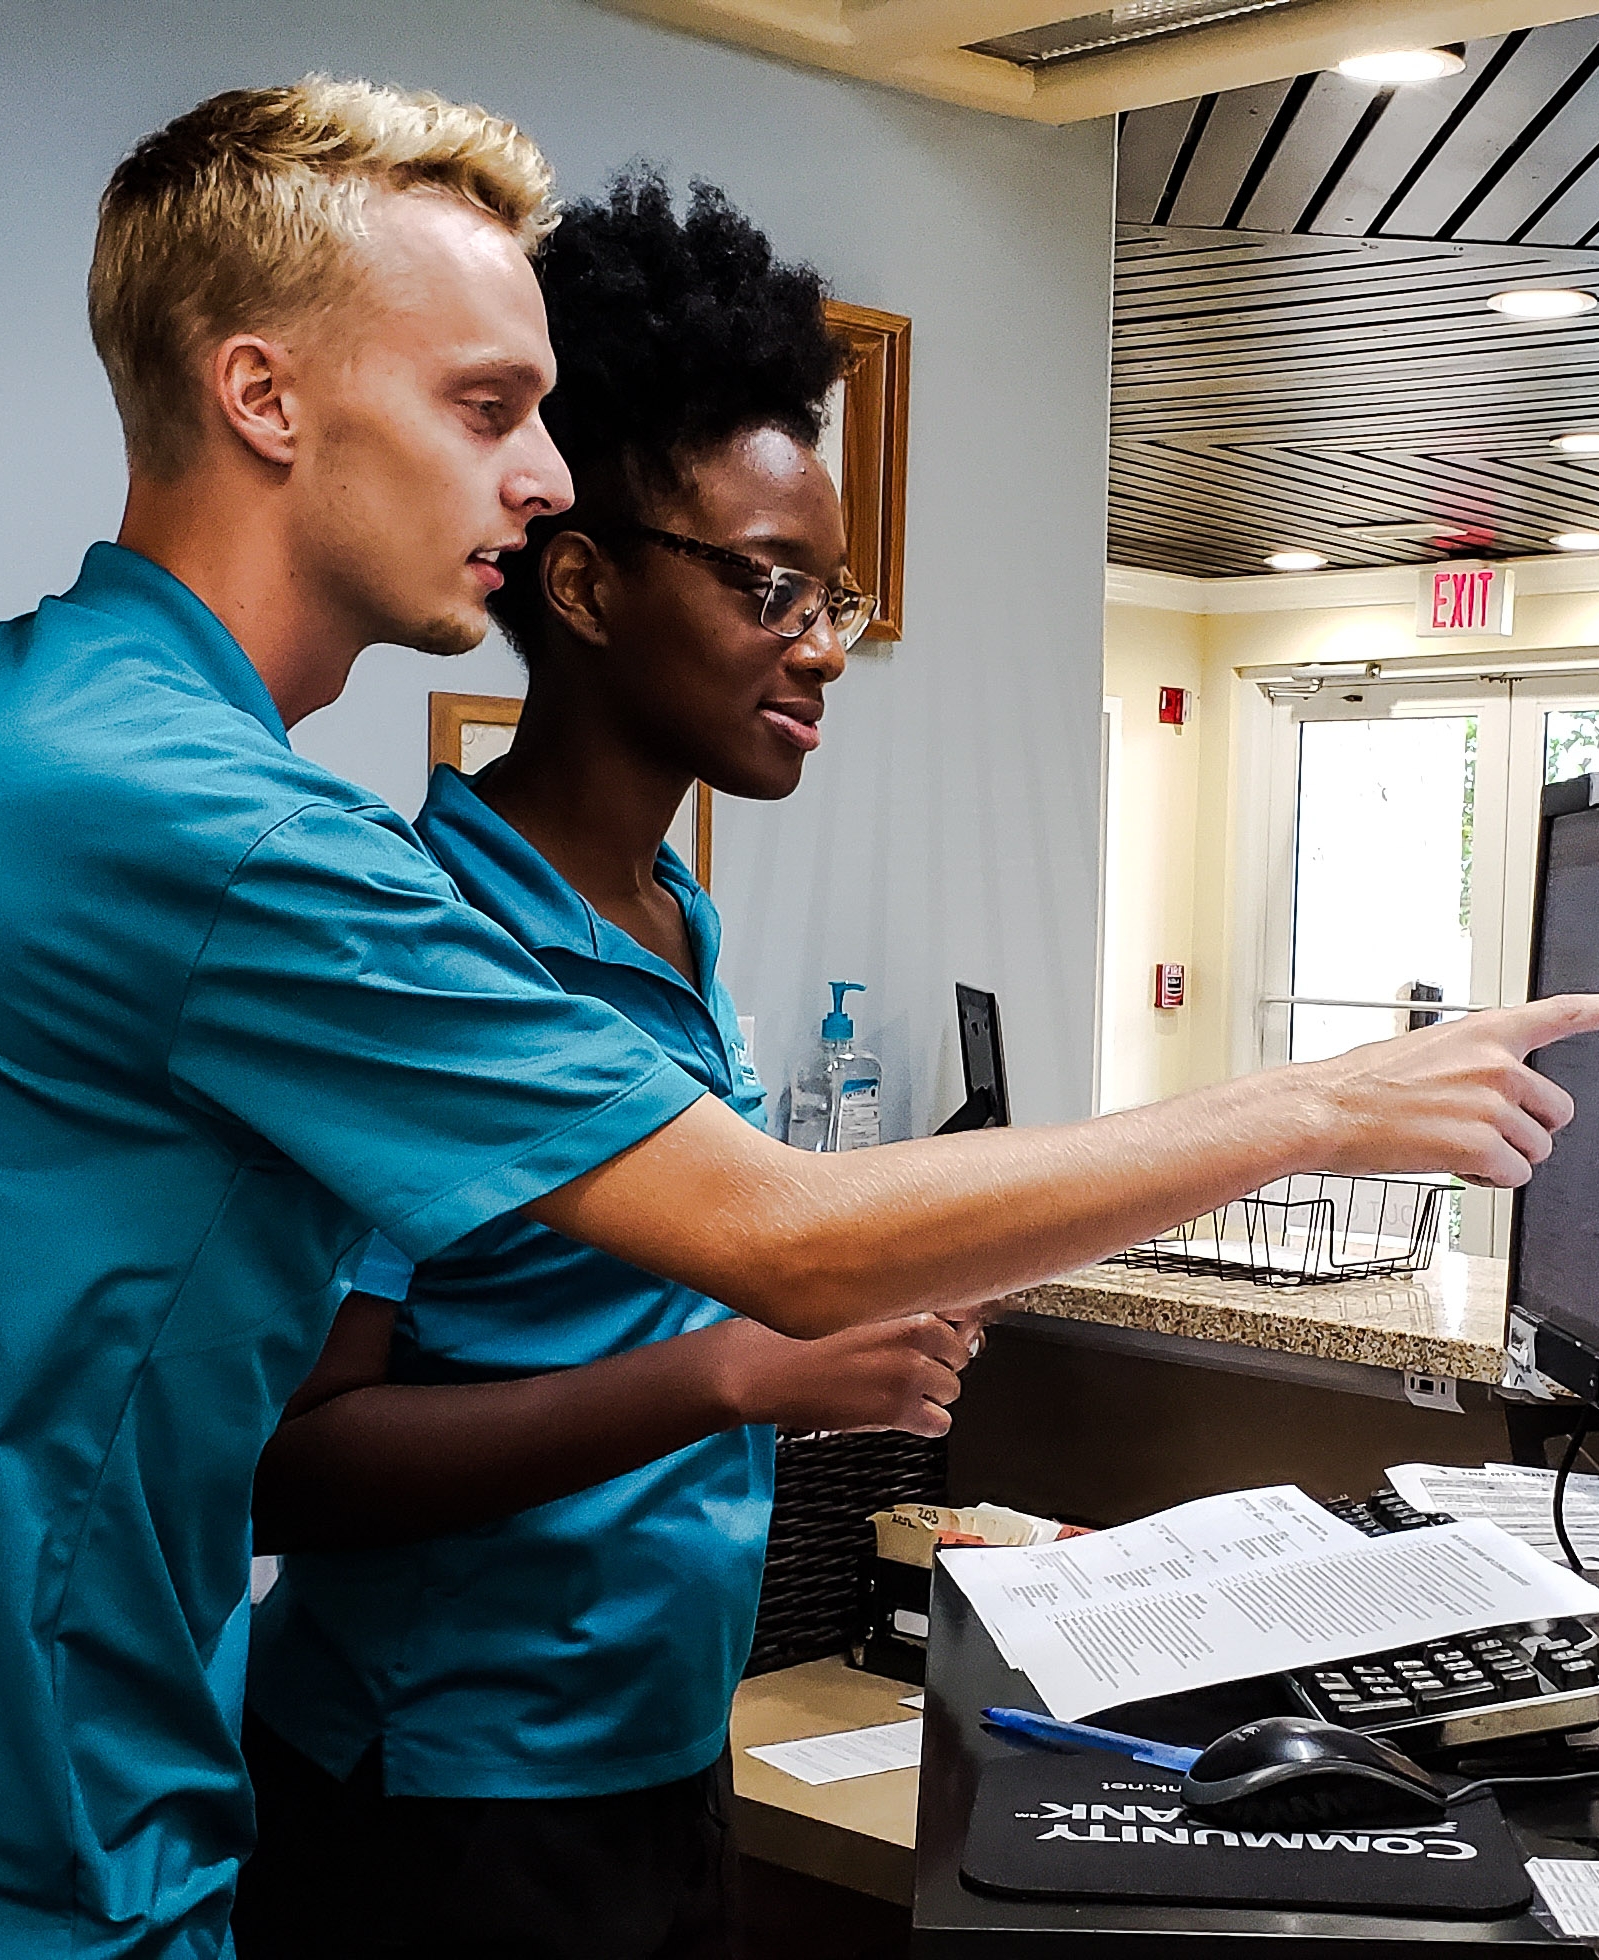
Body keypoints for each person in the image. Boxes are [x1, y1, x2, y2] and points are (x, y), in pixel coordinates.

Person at [0, 78, 1599, 1960]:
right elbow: (785, 1237)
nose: (540, 479)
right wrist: (1322, 1102)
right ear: (263, 398)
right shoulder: (242, 834)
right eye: (485, 409)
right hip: (4, 1863)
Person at [234, 173, 942, 1958]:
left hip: (649, 1753)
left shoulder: (669, 915)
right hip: (442, 1803)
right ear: (585, 582)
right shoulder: (411, 944)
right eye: (773, 585)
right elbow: (295, 1463)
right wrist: (735, 1374)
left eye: (837, 595)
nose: (825, 646)